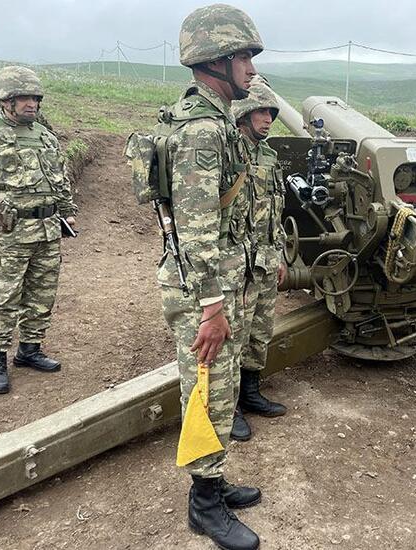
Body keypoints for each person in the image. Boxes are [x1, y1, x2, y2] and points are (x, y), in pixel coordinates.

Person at [156, 5, 263, 549]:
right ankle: (203, 505)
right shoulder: (201, 131)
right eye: (243, 56)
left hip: (220, 283)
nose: (252, 68)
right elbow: (196, 232)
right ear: (215, 61)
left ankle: (214, 482)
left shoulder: (217, 121)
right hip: (205, 290)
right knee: (205, 390)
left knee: (222, 389)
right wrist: (212, 308)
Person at [0, 66, 77, 395]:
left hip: (46, 231)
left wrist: (67, 213)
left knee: (42, 295)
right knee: (4, 298)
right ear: (5, 100)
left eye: (35, 97)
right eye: (24, 98)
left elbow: (59, 180)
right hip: (8, 233)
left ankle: (29, 350)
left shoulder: (45, 136)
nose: (31, 103)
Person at [229, 76, 288, 442]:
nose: (268, 120)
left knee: (258, 332)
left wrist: (279, 254)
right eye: (262, 112)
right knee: (233, 336)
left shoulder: (268, 156)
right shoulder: (228, 152)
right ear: (244, 113)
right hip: (238, 265)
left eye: (272, 114)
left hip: (265, 260)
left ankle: (250, 392)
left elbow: (274, 212)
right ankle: (229, 406)